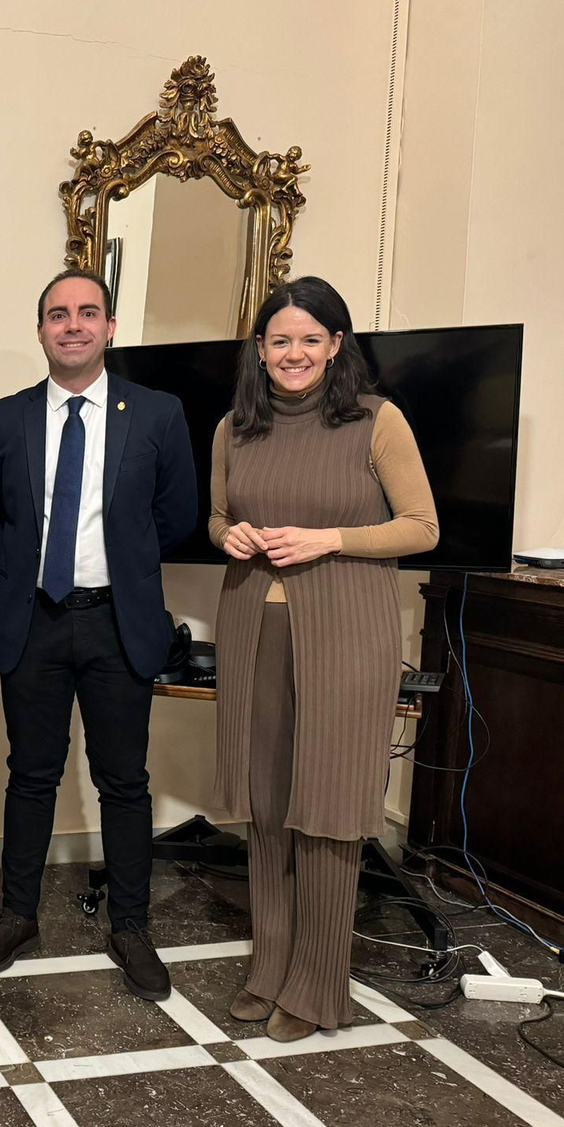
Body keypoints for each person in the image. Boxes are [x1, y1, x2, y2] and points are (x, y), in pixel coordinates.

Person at [211, 276, 437, 1041]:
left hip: (347, 635)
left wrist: (329, 539)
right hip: (252, 629)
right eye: (280, 340)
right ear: (262, 349)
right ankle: (269, 965)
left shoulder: (378, 421)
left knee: (331, 809)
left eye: (311, 338)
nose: (295, 352)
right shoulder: (234, 427)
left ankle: (317, 984)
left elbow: (421, 527)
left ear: (337, 345)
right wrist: (228, 536)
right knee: (268, 806)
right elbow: (217, 515)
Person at [0, 269, 196, 999]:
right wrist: (37, 562)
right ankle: (17, 915)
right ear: (40, 331)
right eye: (58, 315)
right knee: (31, 774)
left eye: (87, 313)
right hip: (32, 619)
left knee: (123, 781)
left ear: (110, 327)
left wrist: (120, 563)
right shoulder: (3, 420)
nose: (72, 325)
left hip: (118, 623)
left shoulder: (157, 413)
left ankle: (130, 927)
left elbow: (178, 514)